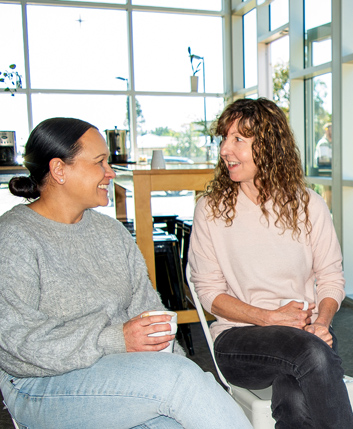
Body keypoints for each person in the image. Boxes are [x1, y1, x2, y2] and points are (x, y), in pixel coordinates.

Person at [0, 117, 252, 429]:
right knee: (179, 382)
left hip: (112, 371)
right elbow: (19, 342)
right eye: (99, 162)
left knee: (177, 415)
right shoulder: (14, 237)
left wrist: (174, 362)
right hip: (38, 383)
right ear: (59, 170)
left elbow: (148, 312)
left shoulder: (110, 232)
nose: (111, 172)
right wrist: (115, 339)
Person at [188, 98, 353, 429]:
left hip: (305, 331)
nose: (224, 149)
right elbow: (209, 293)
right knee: (310, 354)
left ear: (267, 145)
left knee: (294, 397)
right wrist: (268, 318)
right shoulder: (210, 210)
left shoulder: (309, 204)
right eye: (224, 138)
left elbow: (331, 277)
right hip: (239, 340)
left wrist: (322, 321)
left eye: (238, 139)